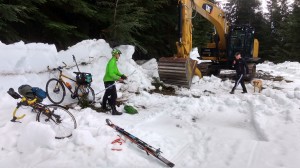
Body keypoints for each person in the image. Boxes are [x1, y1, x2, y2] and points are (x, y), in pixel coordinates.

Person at [101, 48, 127, 115]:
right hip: (109, 81)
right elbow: (110, 73)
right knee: (113, 95)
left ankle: (104, 106)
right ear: (115, 54)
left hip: (109, 80)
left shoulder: (114, 61)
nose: (119, 55)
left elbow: (116, 71)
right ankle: (114, 111)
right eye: (118, 54)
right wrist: (118, 78)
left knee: (107, 94)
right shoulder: (112, 62)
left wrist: (122, 75)